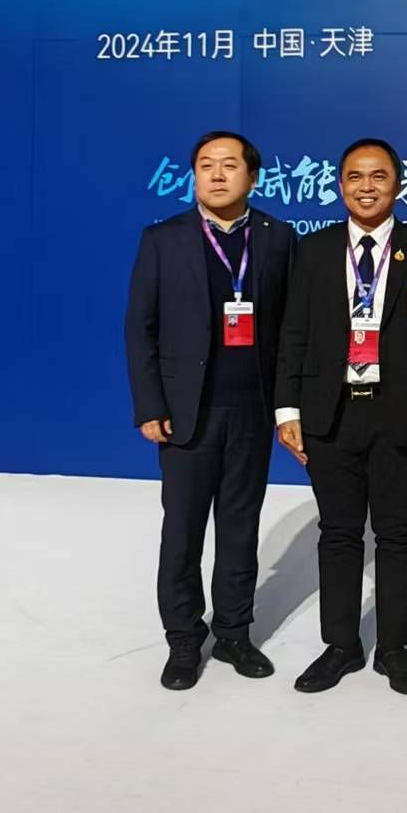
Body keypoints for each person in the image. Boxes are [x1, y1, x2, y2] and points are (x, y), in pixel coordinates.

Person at [274, 139, 407, 695]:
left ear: (397, 184)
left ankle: (394, 648)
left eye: (378, 176)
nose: (366, 186)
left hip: (401, 412)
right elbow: (293, 333)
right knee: (338, 532)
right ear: (340, 185)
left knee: (398, 531)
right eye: (355, 176)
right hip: (329, 412)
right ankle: (341, 645)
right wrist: (287, 408)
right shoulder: (313, 249)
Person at [125, 131, 297, 691]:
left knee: (240, 529)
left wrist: (287, 407)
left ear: (253, 176)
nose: (217, 175)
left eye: (229, 165)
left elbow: (291, 331)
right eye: (205, 165)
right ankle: (183, 639)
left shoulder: (277, 238)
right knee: (182, 532)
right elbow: (140, 328)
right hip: (186, 414)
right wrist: (150, 404)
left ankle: (233, 633)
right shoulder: (164, 239)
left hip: (252, 410)